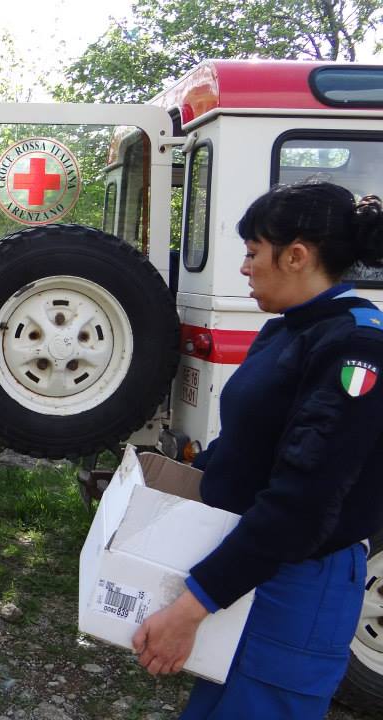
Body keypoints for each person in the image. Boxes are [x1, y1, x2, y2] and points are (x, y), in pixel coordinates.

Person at [131, 181, 383, 718]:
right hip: (250, 564)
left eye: (252, 252)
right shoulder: (288, 330)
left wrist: (193, 606)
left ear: (296, 255)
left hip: (299, 580)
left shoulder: (353, 346)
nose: (244, 267)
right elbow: (247, 442)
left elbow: (304, 503)